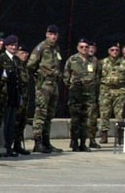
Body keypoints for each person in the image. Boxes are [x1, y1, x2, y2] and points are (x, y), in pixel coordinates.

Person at [26, 24, 64, 154]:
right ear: (47, 34)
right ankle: (38, 141)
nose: (53, 37)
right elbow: (30, 65)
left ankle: (46, 141)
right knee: (41, 113)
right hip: (44, 85)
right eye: (51, 34)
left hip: (54, 84)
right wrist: (39, 75)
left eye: (55, 34)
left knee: (49, 114)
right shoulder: (41, 47)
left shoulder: (56, 48)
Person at [64, 39, 98, 152]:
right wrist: (72, 87)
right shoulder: (72, 60)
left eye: (86, 47)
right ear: (78, 48)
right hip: (76, 94)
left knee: (86, 121)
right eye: (82, 47)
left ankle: (83, 143)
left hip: (89, 95)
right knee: (75, 120)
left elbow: (98, 75)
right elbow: (66, 76)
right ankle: (74, 142)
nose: (84, 49)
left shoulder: (94, 61)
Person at [97, 42, 125, 148]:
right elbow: (97, 76)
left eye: (116, 50)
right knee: (104, 114)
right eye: (112, 50)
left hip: (119, 91)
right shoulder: (102, 62)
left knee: (120, 115)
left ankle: (120, 136)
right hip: (105, 91)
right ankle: (104, 136)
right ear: (108, 51)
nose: (114, 52)